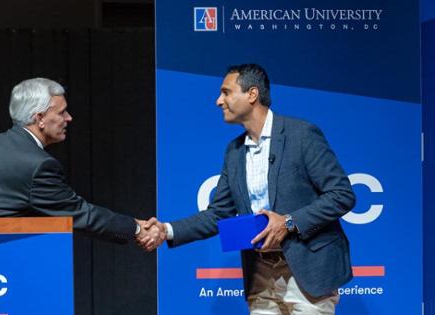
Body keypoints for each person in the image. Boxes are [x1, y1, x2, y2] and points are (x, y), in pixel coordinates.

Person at [143, 64, 356, 314]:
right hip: (261, 276)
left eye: (226, 92)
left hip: (308, 272)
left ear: (252, 94)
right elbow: (218, 214)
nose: (218, 101)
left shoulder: (301, 135)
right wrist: (165, 230)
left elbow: (342, 195)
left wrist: (288, 222)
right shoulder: (234, 152)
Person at [0, 78, 164, 246]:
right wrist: (137, 228)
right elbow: (79, 214)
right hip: (14, 258)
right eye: (62, 112)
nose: (69, 118)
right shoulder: (38, 164)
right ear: (40, 118)